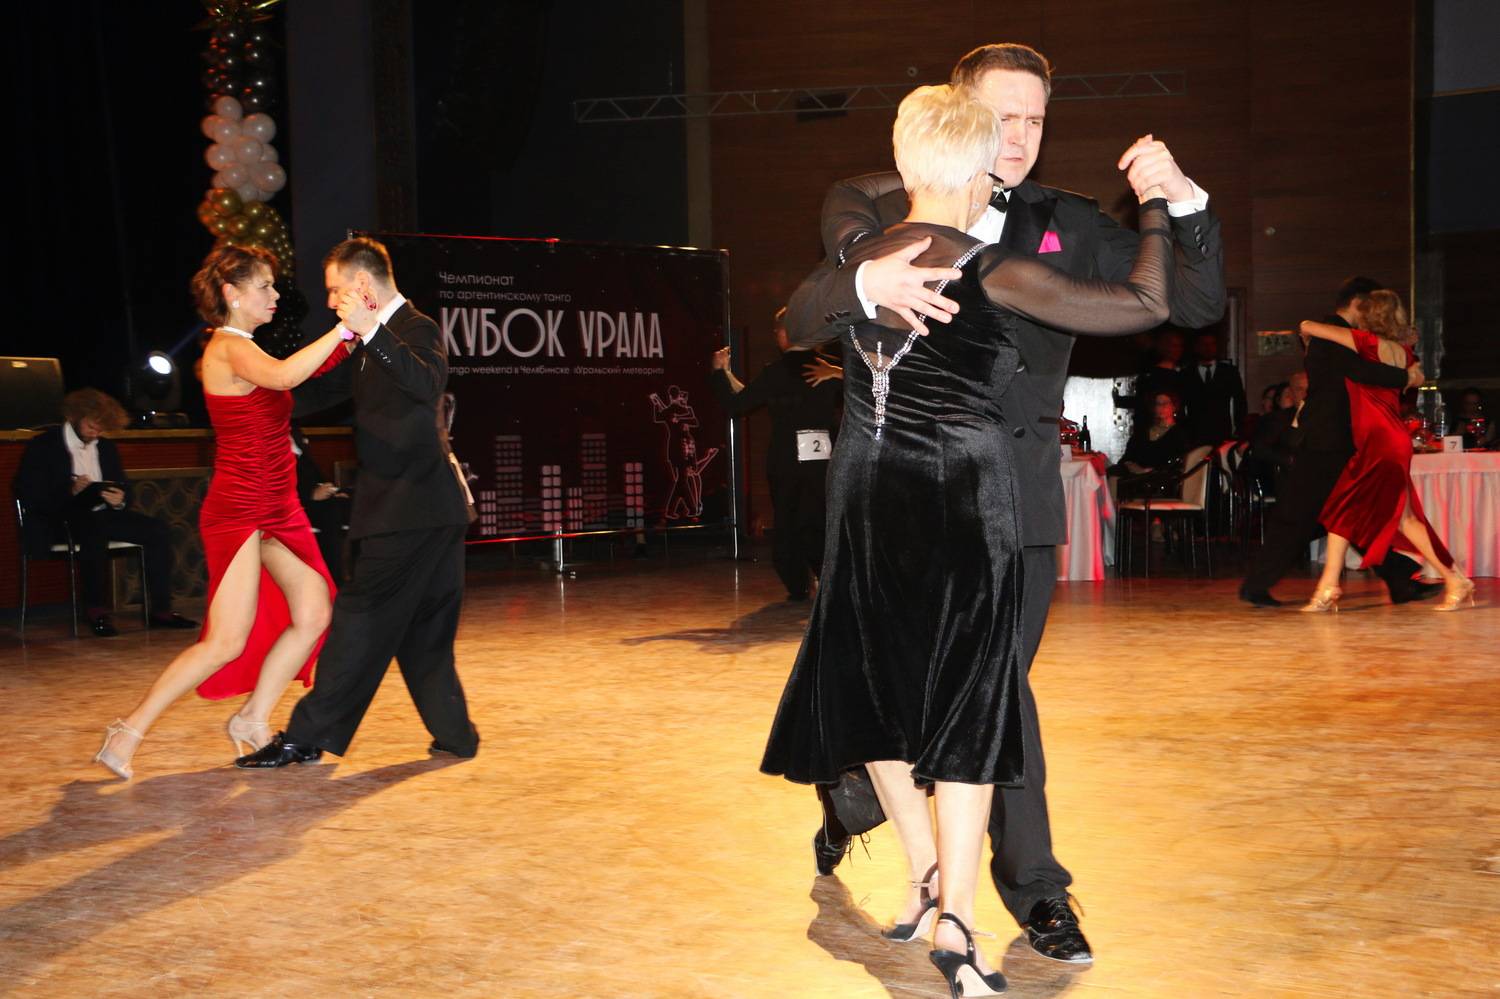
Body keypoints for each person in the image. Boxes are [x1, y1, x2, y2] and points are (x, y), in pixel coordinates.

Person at [784, 42, 1226, 965]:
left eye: (1034, 119)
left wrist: (1178, 199)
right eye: (1001, 117)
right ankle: (871, 801)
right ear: (961, 116)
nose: (1018, 137)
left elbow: (1189, 303)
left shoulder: (1067, 221)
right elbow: (815, 296)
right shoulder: (876, 199)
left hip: (1011, 497)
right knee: (914, 688)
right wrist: (865, 280)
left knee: (993, 697)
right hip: (891, 491)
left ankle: (1031, 890)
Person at [90, 245, 352, 780]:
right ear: (232, 293)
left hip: (278, 505)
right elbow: (286, 377)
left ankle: (252, 718)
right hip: (240, 508)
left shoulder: (248, 348)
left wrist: (355, 335)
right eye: (264, 286)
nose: (275, 295)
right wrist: (343, 330)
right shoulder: (227, 347)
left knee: (315, 612)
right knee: (226, 641)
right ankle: (129, 729)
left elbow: (300, 375)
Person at [237, 236, 480, 768]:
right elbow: (314, 393)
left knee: (359, 619)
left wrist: (371, 330)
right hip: (424, 510)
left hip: (412, 510)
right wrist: (247, 390)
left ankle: (307, 736)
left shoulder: (415, 328)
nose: (330, 302)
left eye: (335, 290)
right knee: (424, 633)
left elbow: (427, 382)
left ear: (363, 285)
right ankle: (457, 736)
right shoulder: (367, 343)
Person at [1240, 278, 1441, 607]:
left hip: (1340, 437)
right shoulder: (1330, 334)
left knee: (1352, 513)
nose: (1373, 313)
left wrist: (1402, 349)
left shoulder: (1338, 334)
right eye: (1370, 305)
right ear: (1358, 303)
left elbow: (1370, 362)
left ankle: (1399, 579)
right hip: (1326, 439)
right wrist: (1406, 376)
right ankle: (1257, 584)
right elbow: (1362, 370)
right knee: (1300, 513)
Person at [1298, 291, 1474, 612]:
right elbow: (1415, 377)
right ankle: (1328, 586)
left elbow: (1308, 325)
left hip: (1378, 440)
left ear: (1369, 315)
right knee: (1368, 512)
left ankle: (1455, 578)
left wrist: (1311, 335)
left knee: (1362, 511)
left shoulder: (1365, 342)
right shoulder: (1403, 352)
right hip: (1387, 438)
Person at [14, 390, 201, 637]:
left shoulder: (106, 447)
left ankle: (161, 610)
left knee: (157, 530)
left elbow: (123, 487)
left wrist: (120, 500)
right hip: (58, 520)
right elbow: (28, 492)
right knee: (94, 528)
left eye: (101, 429)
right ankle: (95, 609)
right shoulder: (44, 445)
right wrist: (70, 490)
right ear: (74, 417)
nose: (95, 433)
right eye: (91, 426)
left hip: (101, 516)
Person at [709, 307, 842, 600]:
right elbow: (876, 385)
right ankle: (828, 580)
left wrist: (719, 373)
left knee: (789, 523)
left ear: (784, 333)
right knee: (820, 520)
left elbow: (738, 403)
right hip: (824, 462)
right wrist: (840, 373)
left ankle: (799, 585)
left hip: (786, 461)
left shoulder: (777, 372)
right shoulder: (828, 368)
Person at [291, 421, 351, 582]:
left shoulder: (299, 442)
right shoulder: (270, 447)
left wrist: (333, 492)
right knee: (332, 512)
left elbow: (316, 477)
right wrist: (311, 495)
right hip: (295, 505)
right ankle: (332, 578)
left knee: (352, 501)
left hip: (316, 500)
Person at [1112, 391, 1189, 492]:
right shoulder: (1142, 433)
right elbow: (1127, 458)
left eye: (1165, 403)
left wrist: (1148, 472)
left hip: (1159, 484)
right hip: (1135, 478)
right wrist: (1134, 467)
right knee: (1111, 473)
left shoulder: (1179, 435)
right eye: (1157, 403)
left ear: (1174, 407)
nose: (1160, 407)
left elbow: (1175, 466)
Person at [1181, 331, 1246, 445]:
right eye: (1204, 344)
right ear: (1197, 347)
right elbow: (1181, 405)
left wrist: (1240, 429)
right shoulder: (1186, 374)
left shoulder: (1229, 372)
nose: (1208, 348)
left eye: (1212, 344)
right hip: (1194, 434)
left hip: (1222, 431)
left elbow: (1239, 402)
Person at [1248, 374, 1305, 498]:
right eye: (1300, 389)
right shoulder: (1275, 419)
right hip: (1278, 476)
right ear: (1291, 394)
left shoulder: (1321, 418)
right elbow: (1260, 450)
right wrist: (1291, 460)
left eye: (1308, 389)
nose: (1305, 394)